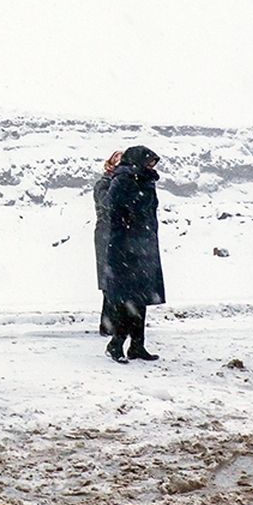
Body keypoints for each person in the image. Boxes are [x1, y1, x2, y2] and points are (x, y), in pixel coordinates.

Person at [103, 146, 165, 363]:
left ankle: (137, 346)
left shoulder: (143, 181)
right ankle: (116, 344)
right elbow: (131, 210)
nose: (151, 167)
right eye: (149, 163)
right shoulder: (124, 181)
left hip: (143, 249)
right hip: (126, 251)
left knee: (139, 300)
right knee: (125, 300)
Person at [93, 151, 125, 336]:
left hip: (117, 235)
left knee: (118, 279)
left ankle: (117, 323)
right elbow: (107, 205)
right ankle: (108, 325)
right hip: (106, 235)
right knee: (109, 280)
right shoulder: (104, 184)